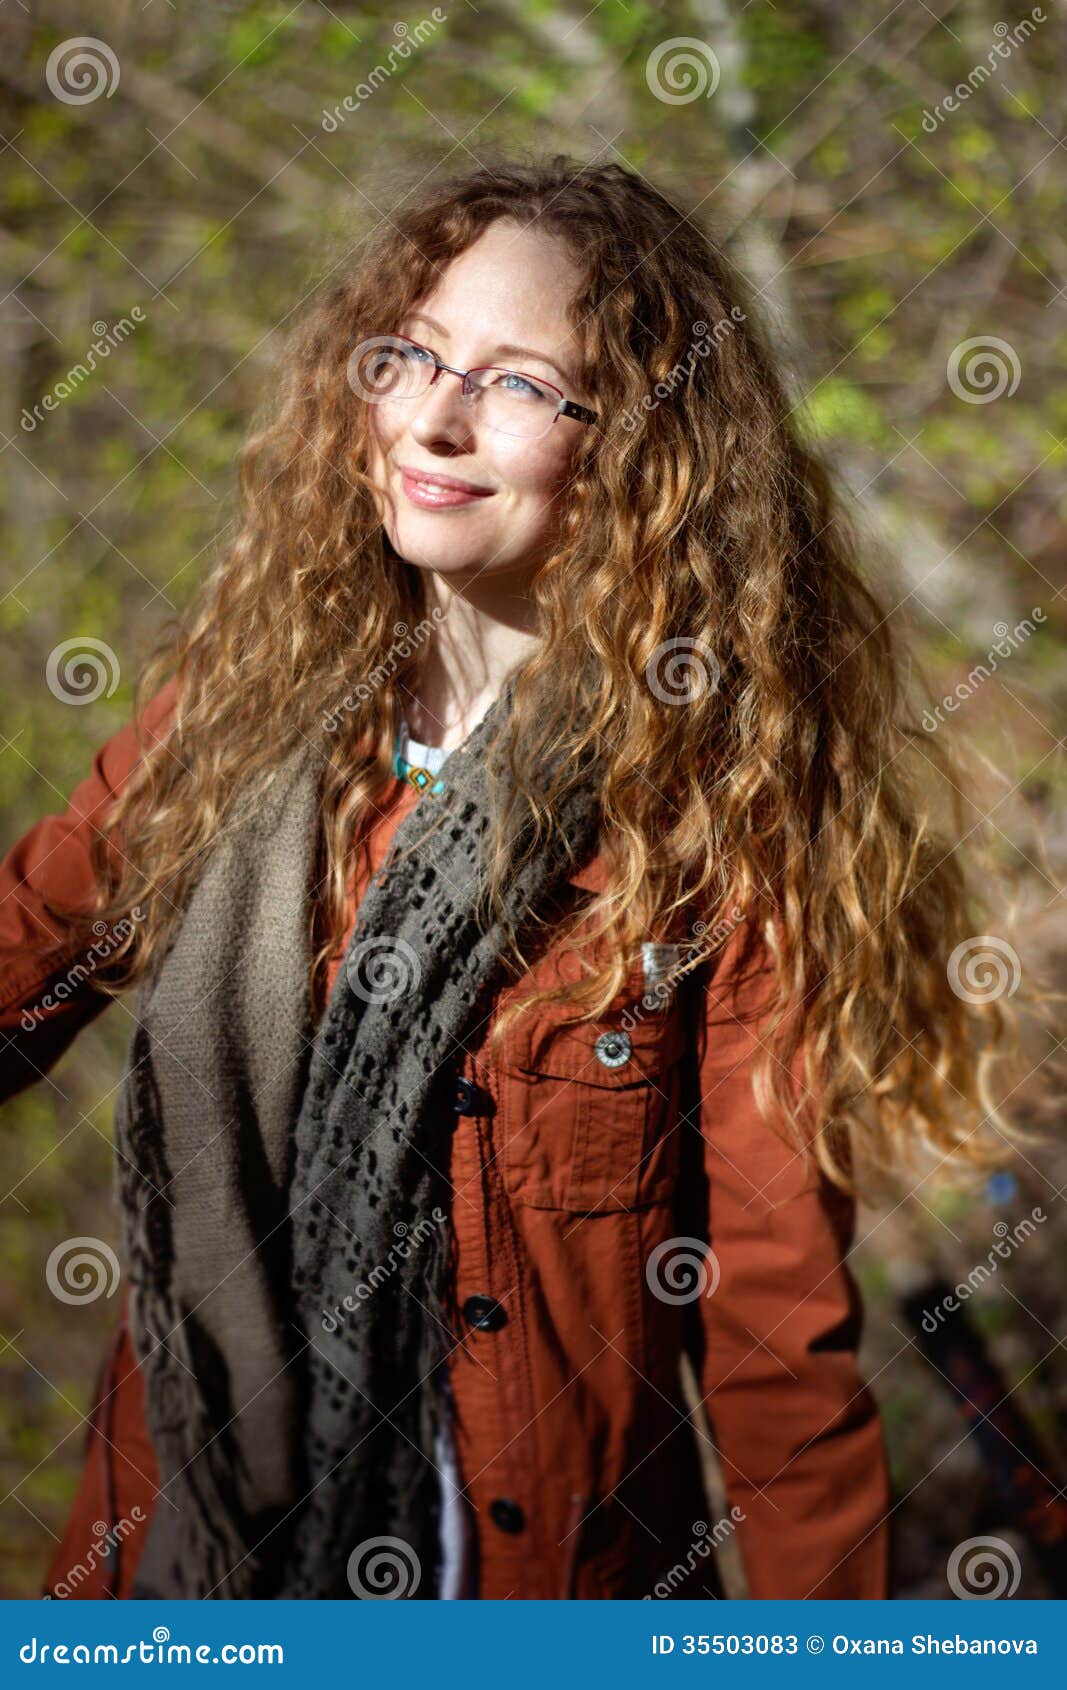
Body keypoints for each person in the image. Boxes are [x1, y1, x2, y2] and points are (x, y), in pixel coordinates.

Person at [1, 156, 1025, 1601]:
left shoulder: (708, 837)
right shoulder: (235, 720)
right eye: (412, 355)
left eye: (520, 383)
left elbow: (774, 1351)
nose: (435, 415)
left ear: (635, 452)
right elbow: (26, 950)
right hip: (181, 1573)